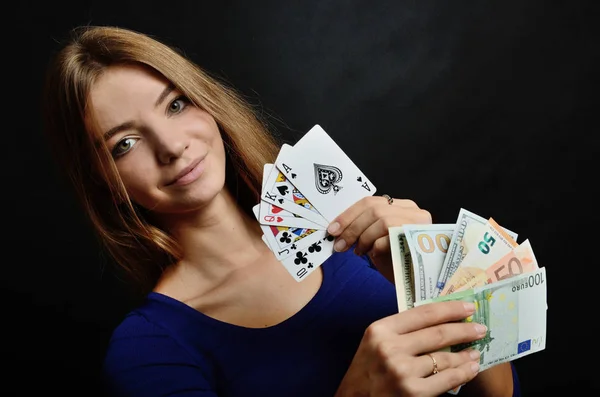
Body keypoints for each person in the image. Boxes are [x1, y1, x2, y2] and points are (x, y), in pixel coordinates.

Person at [42, 25, 520, 397]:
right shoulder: (148, 351)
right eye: (124, 143)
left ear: (206, 102)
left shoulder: (345, 224)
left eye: (175, 104)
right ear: (101, 179)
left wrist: (440, 277)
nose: (171, 146)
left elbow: (497, 392)